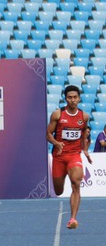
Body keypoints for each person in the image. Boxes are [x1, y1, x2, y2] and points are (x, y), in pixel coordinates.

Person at [47, 85, 92, 229]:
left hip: (74, 155)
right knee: (59, 191)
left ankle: (73, 219)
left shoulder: (84, 116)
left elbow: (84, 131)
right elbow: (48, 134)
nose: (72, 100)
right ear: (65, 98)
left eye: (75, 97)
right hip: (59, 157)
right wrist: (55, 142)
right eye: (69, 97)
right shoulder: (57, 114)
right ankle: (63, 182)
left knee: (76, 184)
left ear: (79, 98)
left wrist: (84, 149)